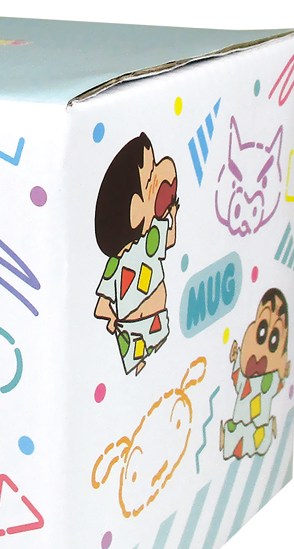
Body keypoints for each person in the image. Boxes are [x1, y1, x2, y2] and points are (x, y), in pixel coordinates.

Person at [94, 133, 178, 375]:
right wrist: (111, 317)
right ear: (134, 210)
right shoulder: (121, 261)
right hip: (133, 328)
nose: (159, 172)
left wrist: (172, 214)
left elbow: (171, 239)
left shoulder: (152, 237)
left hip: (152, 323)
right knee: (139, 362)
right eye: (151, 175)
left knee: (156, 359)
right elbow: (103, 302)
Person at [220, 288, 291, 460]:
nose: (262, 353)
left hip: (260, 423)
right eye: (261, 331)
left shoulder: (270, 380)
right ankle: (230, 439)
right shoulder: (246, 380)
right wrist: (236, 360)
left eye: (274, 339)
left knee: (257, 436)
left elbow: (276, 384)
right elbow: (239, 380)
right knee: (238, 430)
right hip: (241, 419)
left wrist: (282, 373)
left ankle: (269, 430)